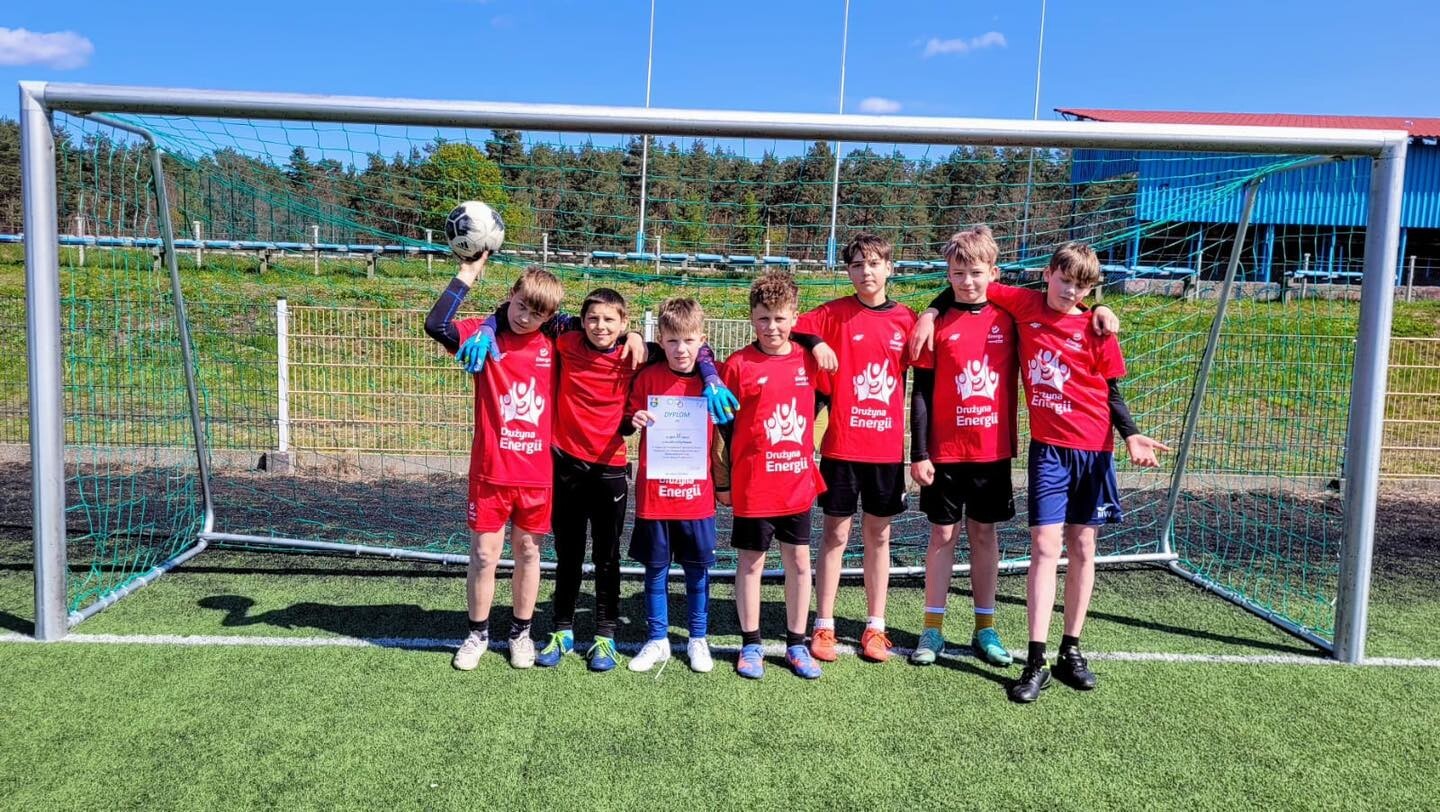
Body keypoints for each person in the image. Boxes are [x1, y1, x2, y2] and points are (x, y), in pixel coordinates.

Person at [911, 238, 1169, 702]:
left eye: (1081, 287)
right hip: (1046, 451)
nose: (1070, 291)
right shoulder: (1022, 304)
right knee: (1044, 547)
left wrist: (1131, 432)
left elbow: (1111, 390)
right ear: (1046, 275)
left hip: (1092, 450)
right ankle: (1034, 659)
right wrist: (930, 311)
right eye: (1064, 280)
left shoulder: (1095, 326)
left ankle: (1070, 649)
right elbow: (969, 282)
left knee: (1083, 546)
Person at [456, 289, 736, 673]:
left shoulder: (641, 353)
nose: (600, 326)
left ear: (624, 324)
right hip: (565, 465)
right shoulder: (565, 337)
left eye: (610, 320)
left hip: (611, 469)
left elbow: (695, 348)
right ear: (582, 320)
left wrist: (710, 375)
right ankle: (562, 630)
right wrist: (489, 326)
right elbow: (521, 311)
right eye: (593, 318)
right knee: (568, 554)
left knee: (607, 557)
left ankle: (606, 634)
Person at [423, 253, 562, 670]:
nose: (525, 317)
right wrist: (468, 273)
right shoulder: (485, 336)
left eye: (536, 313)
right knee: (484, 555)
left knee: (528, 554)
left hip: (536, 475)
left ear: (549, 317)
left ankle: (521, 632)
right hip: (490, 471)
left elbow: (597, 331)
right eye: (520, 306)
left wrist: (633, 337)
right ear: (510, 296)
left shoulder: (555, 343)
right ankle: (477, 633)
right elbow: (436, 325)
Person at [796, 232, 916, 664]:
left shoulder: (906, 319)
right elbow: (793, 324)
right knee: (834, 534)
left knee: (879, 536)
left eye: (874, 263)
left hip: (885, 452)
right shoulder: (833, 314)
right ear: (848, 271)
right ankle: (824, 623)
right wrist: (817, 342)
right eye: (857, 265)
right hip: (841, 448)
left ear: (889, 268)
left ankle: (875, 626)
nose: (866, 272)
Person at [907, 226, 1020, 667]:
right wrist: (919, 452)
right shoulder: (935, 323)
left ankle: (985, 628)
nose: (967, 281)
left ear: (994, 272)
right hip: (945, 453)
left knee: (984, 534)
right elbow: (921, 391)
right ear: (947, 275)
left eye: (975, 272)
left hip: (992, 452)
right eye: (957, 273)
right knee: (941, 535)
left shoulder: (1010, 316)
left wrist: (1097, 306)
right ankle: (932, 629)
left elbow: (1060, 302)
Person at [716, 271, 828, 680]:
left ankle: (797, 643)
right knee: (751, 563)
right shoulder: (738, 365)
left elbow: (825, 402)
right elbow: (723, 427)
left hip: (796, 484)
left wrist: (810, 444)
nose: (772, 327)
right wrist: (723, 480)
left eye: (780, 318)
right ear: (752, 318)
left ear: (795, 317)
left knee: (798, 561)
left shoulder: (809, 359)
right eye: (763, 318)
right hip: (753, 486)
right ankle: (751, 644)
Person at [622, 297, 725, 674]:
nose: (681, 349)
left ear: (702, 341)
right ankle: (657, 639)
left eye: (689, 340)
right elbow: (626, 420)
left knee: (697, 572)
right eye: (672, 341)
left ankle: (697, 638)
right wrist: (634, 419)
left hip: (696, 497)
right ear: (661, 341)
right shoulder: (648, 377)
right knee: (655, 571)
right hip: (655, 496)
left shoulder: (713, 381)